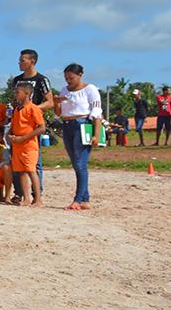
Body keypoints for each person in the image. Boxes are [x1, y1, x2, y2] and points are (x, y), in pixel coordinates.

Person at [53, 63, 103, 211]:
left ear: (80, 75)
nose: (68, 81)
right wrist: (56, 103)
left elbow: (97, 111)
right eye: (66, 78)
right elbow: (59, 113)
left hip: (83, 124)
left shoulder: (90, 89)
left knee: (81, 163)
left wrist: (96, 134)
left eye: (71, 77)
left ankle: (78, 198)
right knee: (76, 163)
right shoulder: (64, 90)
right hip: (67, 125)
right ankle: (85, 199)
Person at [10, 49, 52, 192]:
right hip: (17, 123)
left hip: (33, 124)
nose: (19, 62)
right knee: (17, 161)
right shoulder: (17, 80)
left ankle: (36, 191)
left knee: (34, 161)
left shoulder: (42, 80)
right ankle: (19, 192)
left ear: (32, 62)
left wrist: (31, 110)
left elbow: (50, 102)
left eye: (22, 60)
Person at [9, 81, 45, 208]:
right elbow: (13, 126)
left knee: (31, 170)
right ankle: (26, 198)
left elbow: (41, 128)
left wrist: (24, 137)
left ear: (27, 93)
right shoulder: (16, 110)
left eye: (17, 92)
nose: (15, 94)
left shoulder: (33, 108)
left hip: (29, 145)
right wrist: (10, 135)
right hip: (17, 145)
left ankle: (38, 199)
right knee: (21, 171)